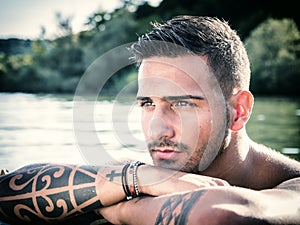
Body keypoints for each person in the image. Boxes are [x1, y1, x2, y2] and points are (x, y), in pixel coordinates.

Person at [0, 15, 300, 225]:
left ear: (239, 111)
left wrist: (118, 208)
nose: (157, 128)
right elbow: (6, 191)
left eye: (182, 103)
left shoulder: (293, 187)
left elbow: (219, 216)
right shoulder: (141, 178)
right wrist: (138, 177)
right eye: (147, 103)